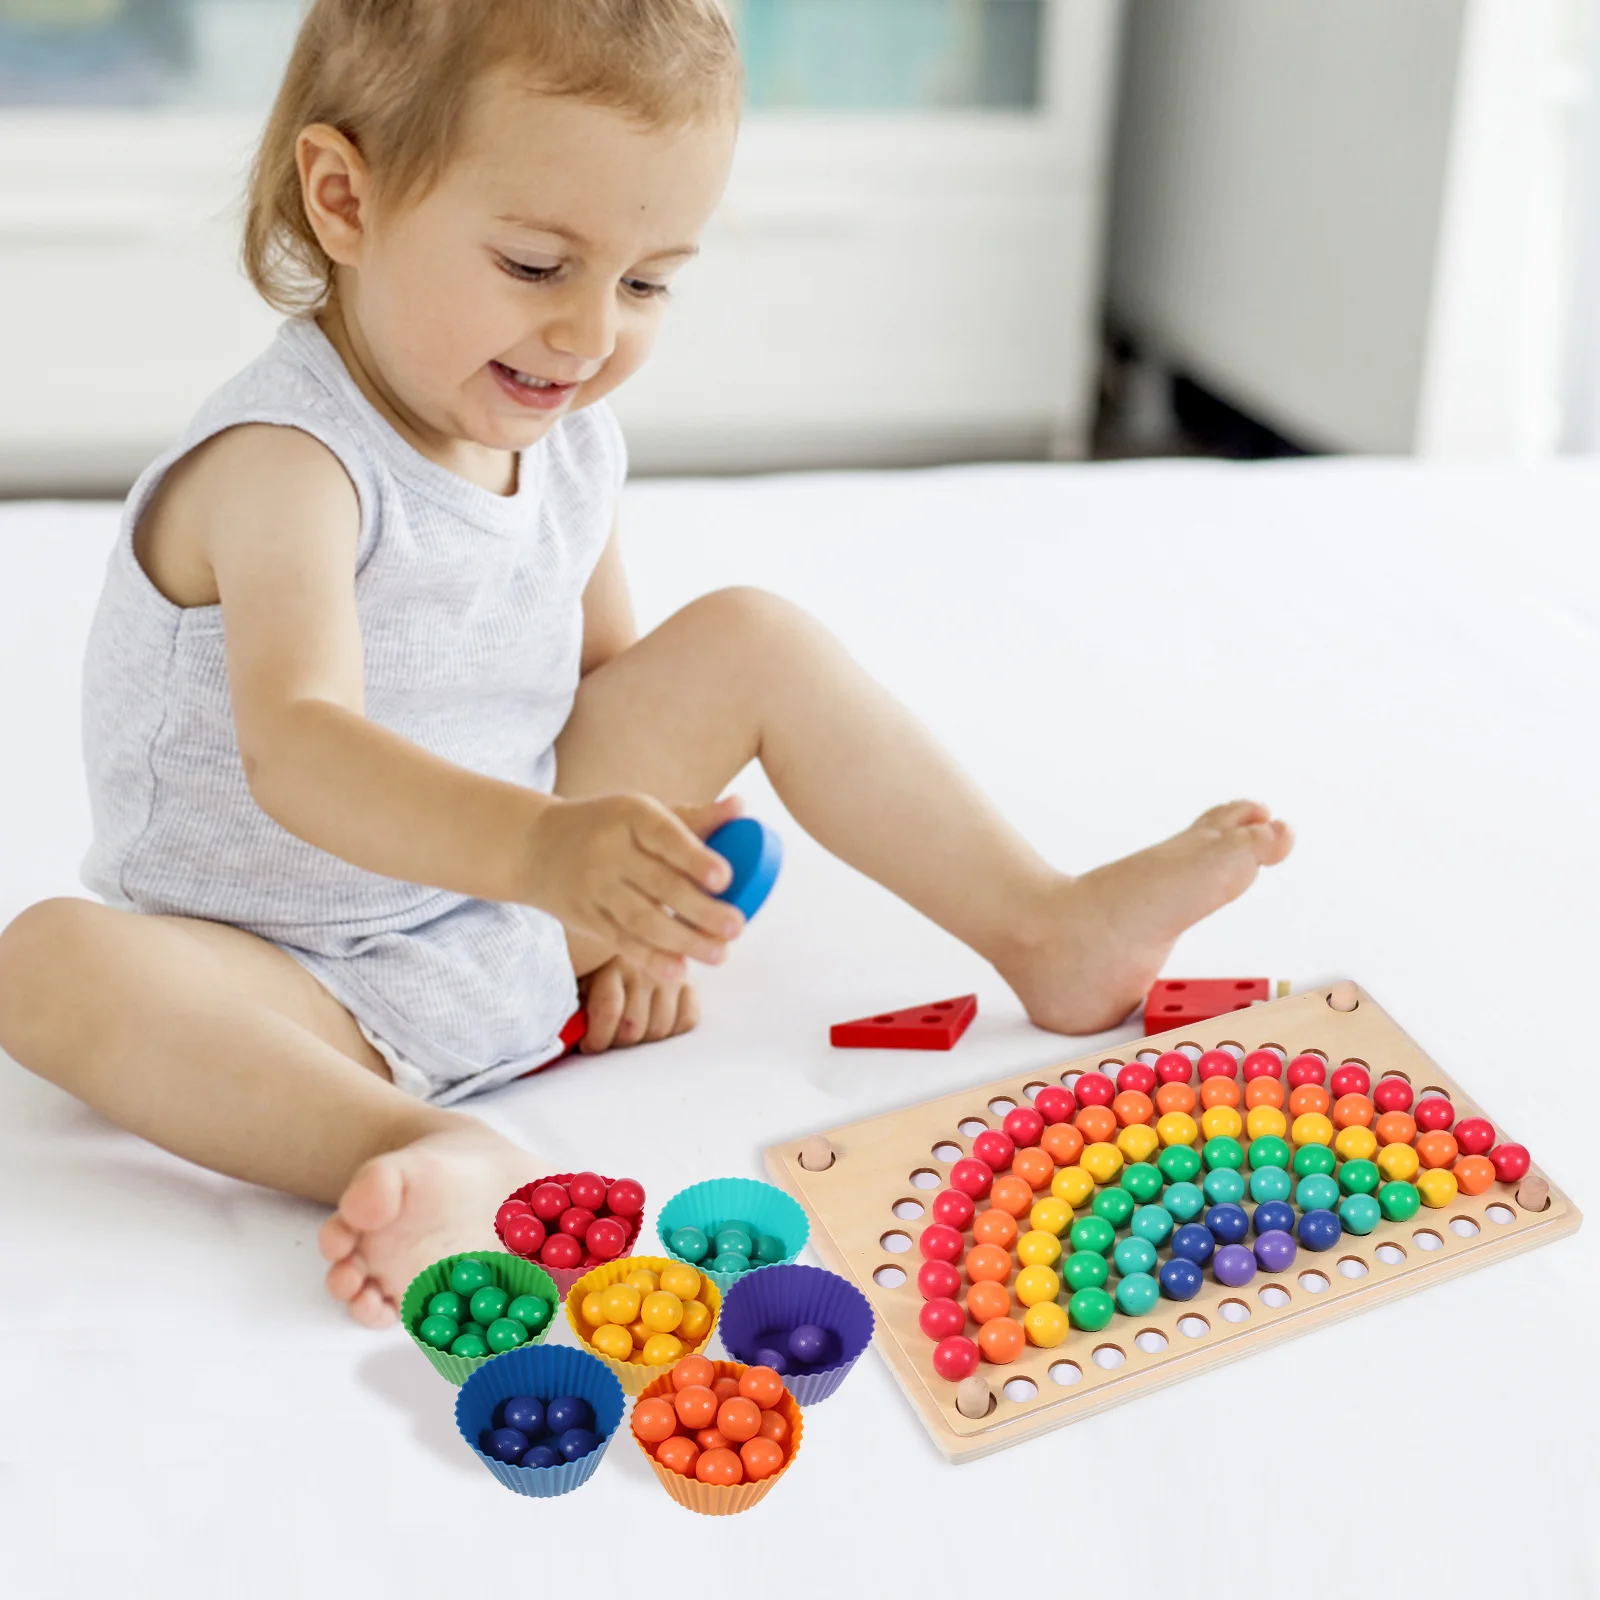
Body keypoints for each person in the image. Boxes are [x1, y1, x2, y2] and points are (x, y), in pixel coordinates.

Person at [0, 0, 1292, 1328]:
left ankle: (1048, 926)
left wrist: (635, 896)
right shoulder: (286, 468)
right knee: (48, 962)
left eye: (648, 281)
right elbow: (301, 750)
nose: (588, 335)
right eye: (535, 263)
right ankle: (402, 1143)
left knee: (749, 634)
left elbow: (599, 685)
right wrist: (553, 861)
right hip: (285, 966)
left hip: (504, 897)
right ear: (343, 199)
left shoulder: (562, 432)